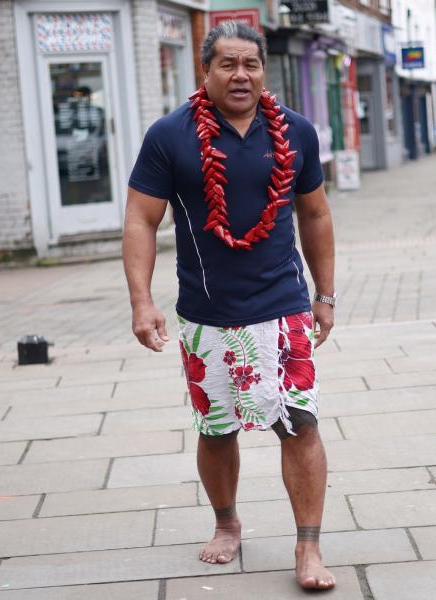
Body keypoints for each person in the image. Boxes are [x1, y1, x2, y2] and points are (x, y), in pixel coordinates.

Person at [122, 22, 336, 591]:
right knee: (216, 429)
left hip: (282, 305)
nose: (240, 75)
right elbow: (142, 218)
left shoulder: (296, 131)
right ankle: (227, 523)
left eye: (251, 64)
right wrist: (142, 303)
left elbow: (314, 214)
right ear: (206, 70)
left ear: (264, 70)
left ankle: (308, 548)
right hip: (206, 312)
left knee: (300, 423)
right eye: (227, 64)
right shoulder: (170, 135)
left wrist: (326, 294)